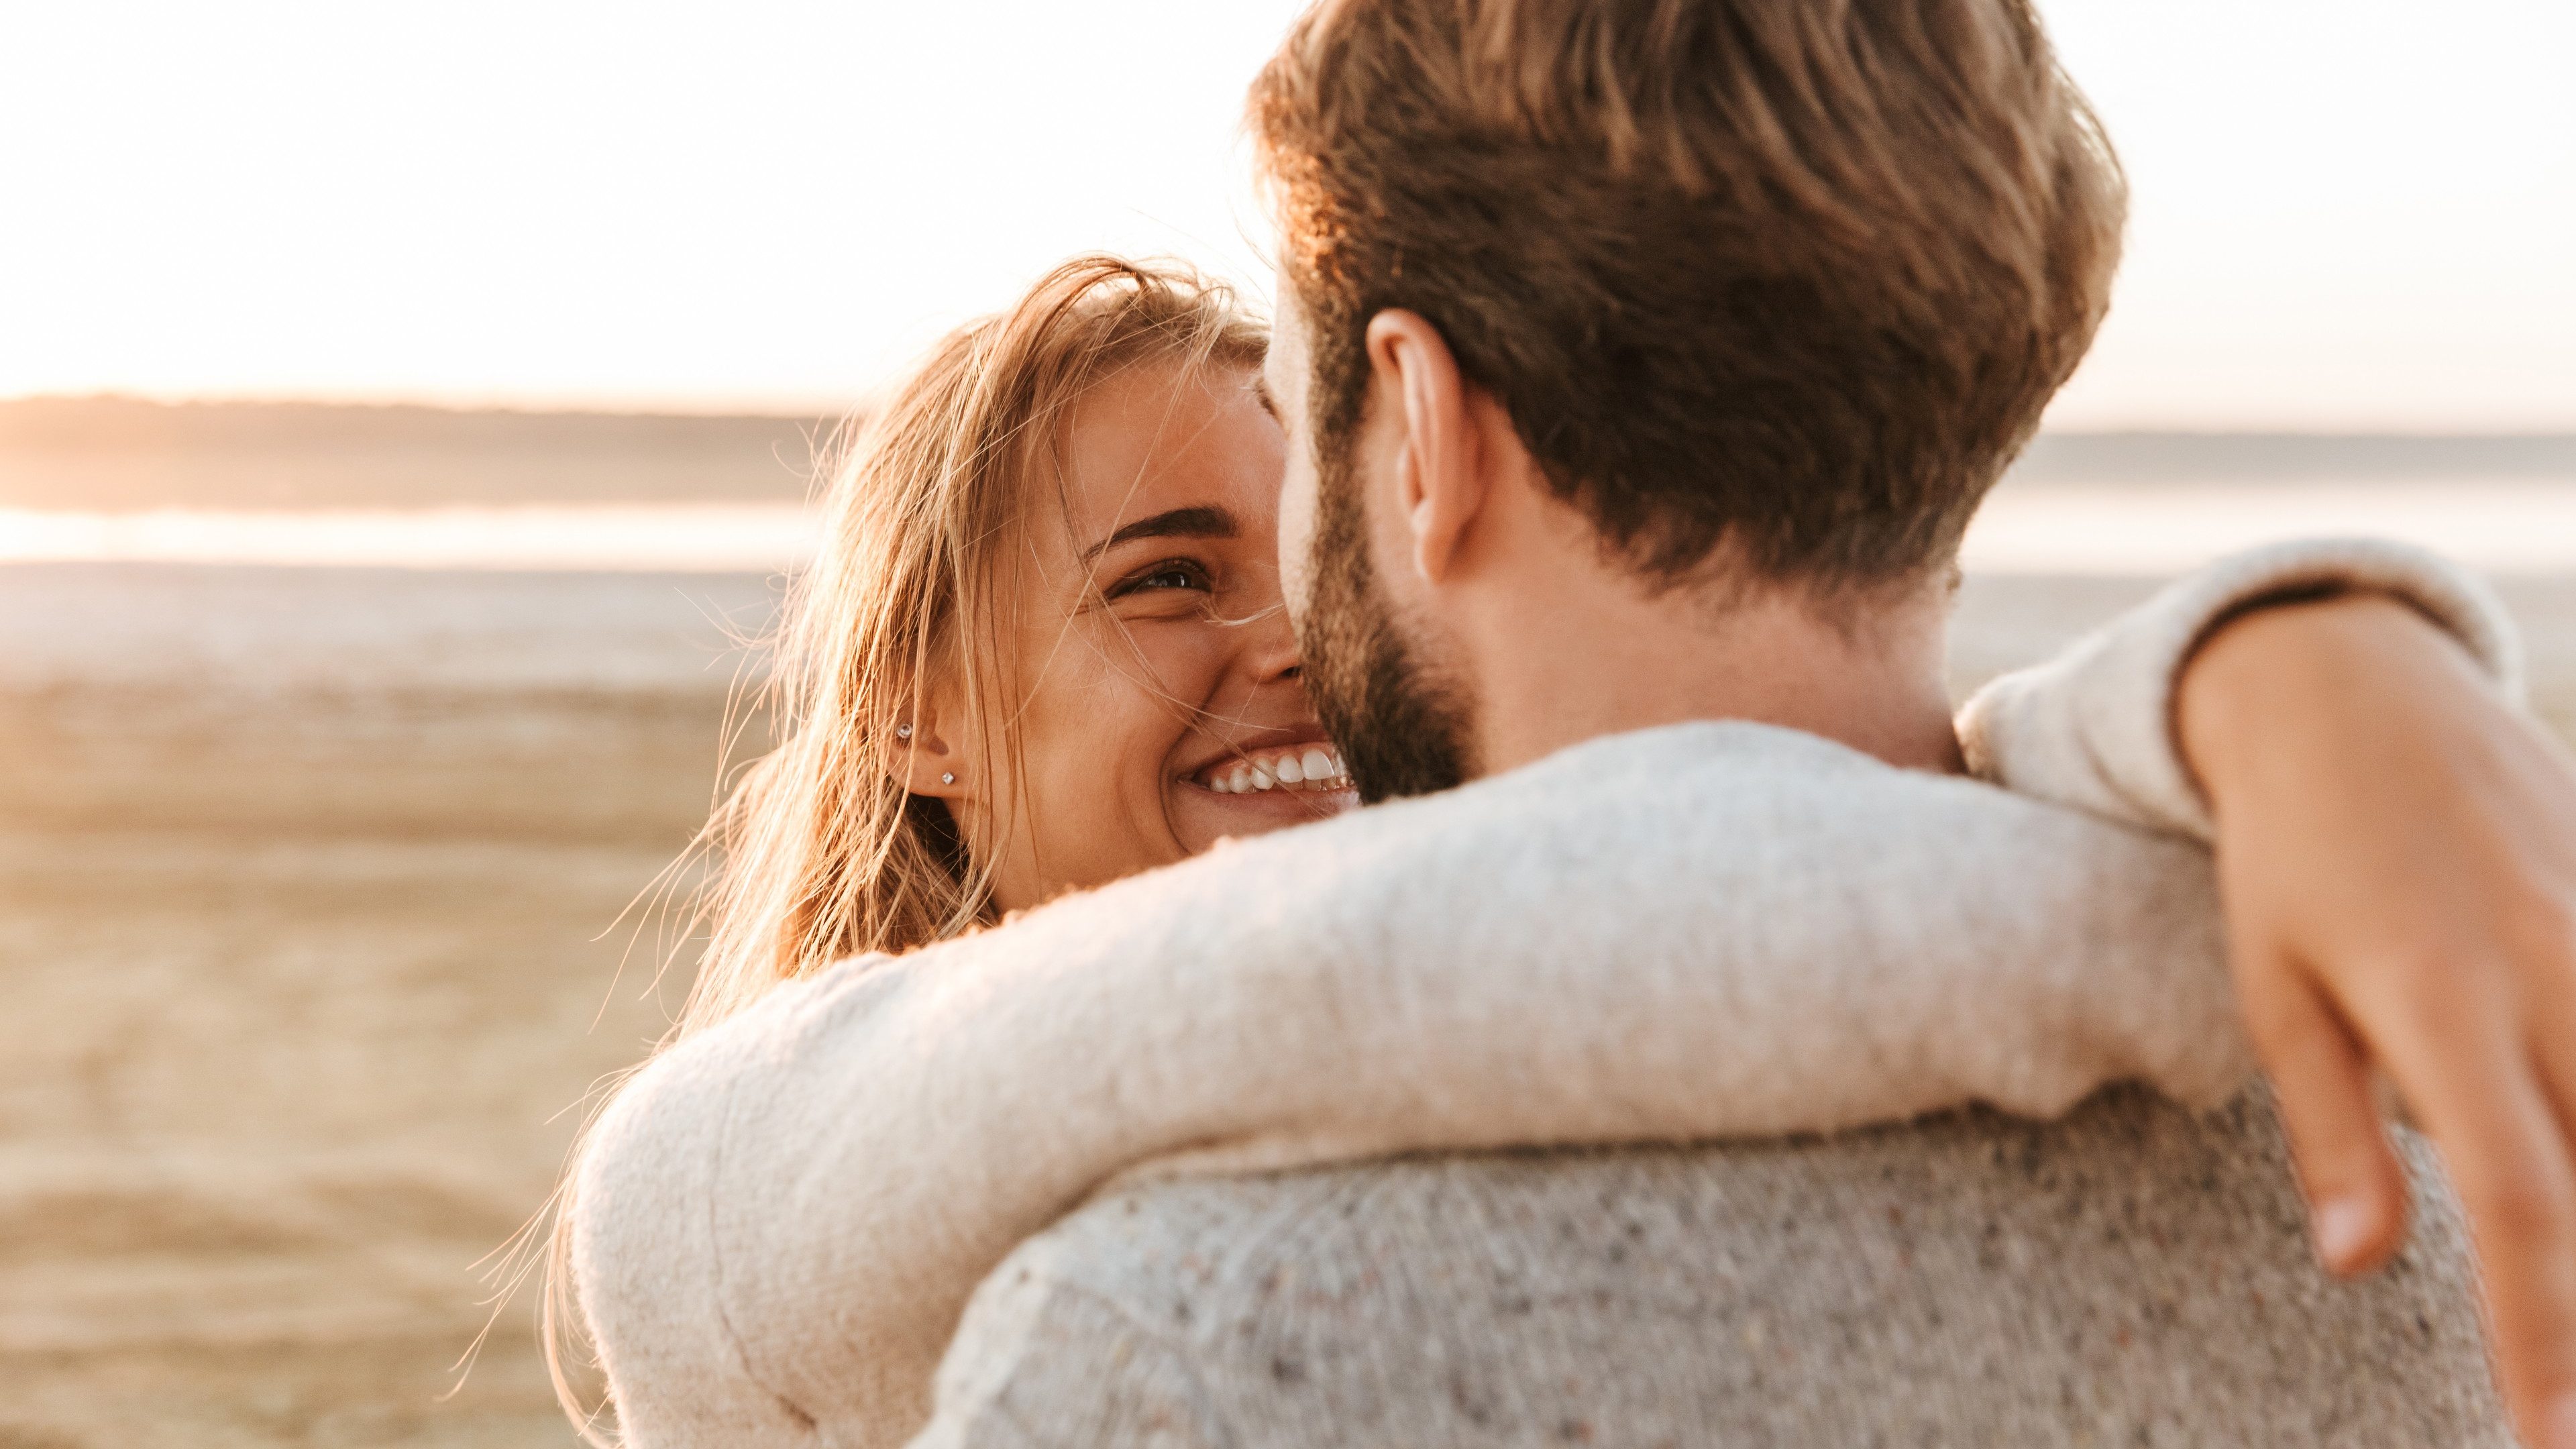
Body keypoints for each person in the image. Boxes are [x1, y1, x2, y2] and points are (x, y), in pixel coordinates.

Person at [553, 241, 2553, 1446]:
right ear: (910, 707)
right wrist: (2268, 712)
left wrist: (2264, 686)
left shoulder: (1509, 1064)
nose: (1285, 643)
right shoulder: (784, 1208)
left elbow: (1668, 862)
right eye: (1166, 579)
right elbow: (1601, 898)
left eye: (1317, 565)